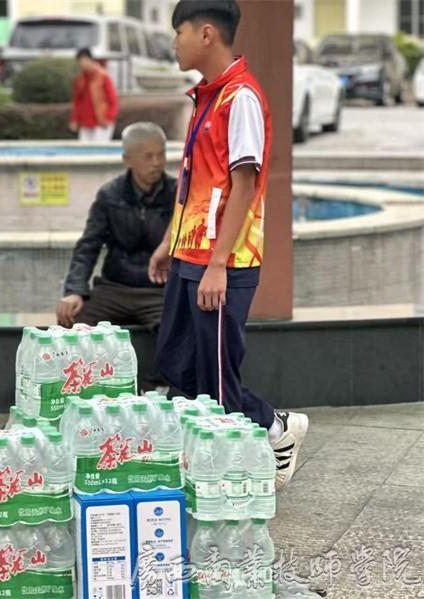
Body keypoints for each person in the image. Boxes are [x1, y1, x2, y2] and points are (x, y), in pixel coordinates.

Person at [148, 0, 308, 491]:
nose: (173, 43)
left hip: (223, 262)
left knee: (217, 382)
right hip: (189, 254)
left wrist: (218, 264)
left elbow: (245, 185)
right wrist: (168, 242)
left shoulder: (240, 99)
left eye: (178, 32)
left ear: (206, 34)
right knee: (180, 367)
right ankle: (264, 429)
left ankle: (272, 434)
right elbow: (195, 183)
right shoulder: (207, 97)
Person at [57, 122, 175, 390]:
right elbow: (88, 246)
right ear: (127, 159)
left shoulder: (178, 193)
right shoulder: (110, 195)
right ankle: (85, 388)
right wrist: (74, 290)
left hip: (159, 290)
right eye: (148, 156)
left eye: (161, 154)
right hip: (115, 288)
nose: (157, 163)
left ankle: (154, 390)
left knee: (182, 327)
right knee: (72, 322)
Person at [69, 48, 119, 142]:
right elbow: (77, 101)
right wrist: (74, 119)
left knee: (99, 147)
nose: (83, 64)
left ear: (90, 59)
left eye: (85, 60)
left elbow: (112, 99)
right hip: (86, 122)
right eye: (81, 61)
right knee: (83, 148)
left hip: (102, 120)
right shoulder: (80, 79)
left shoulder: (103, 77)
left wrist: (109, 117)